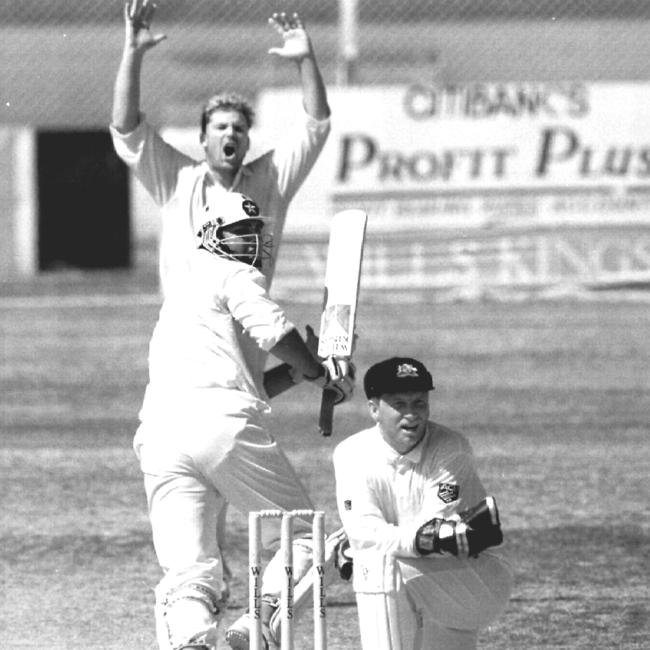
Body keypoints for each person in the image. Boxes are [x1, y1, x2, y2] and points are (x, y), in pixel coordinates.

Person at [133, 192, 354, 650]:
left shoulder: (183, 290)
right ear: (213, 235)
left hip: (159, 434)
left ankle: (191, 641)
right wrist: (322, 373)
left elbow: (242, 381)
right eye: (241, 232)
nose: (252, 241)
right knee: (304, 536)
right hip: (219, 426)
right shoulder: (235, 273)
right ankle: (258, 624)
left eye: (256, 232)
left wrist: (297, 374)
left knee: (189, 572)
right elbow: (274, 330)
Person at [110, 0, 331, 296]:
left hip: (250, 329)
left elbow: (315, 126)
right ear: (203, 139)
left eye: (239, 129)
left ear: (247, 142)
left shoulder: (270, 180)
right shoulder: (177, 179)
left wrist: (306, 60)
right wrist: (133, 53)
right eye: (221, 127)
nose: (231, 133)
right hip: (190, 334)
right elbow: (127, 129)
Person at [332, 357, 513, 650]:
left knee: (375, 562)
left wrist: (357, 547)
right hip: (426, 579)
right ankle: (263, 620)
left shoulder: (450, 449)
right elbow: (367, 532)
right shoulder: (351, 453)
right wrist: (354, 544)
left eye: (419, 403)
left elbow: (431, 535)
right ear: (374, 409)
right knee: (330, 549)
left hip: (475, 577)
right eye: (399, 404)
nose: (412, 415)